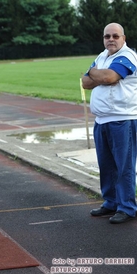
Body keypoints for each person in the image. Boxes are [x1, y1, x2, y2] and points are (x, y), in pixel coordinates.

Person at [82, 23, 137, 224]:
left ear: (123, 38)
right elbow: (85, 82)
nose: (111, 39)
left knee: (124, 166)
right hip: (102, 119)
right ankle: (111, 202)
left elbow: (110, 76)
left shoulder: (128, 56)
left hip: (123, 119)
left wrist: (96, 74)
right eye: (107, 36)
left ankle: (127, 207)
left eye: (115, 36)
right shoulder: (102, 56)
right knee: (106, 166)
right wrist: (99, 76)